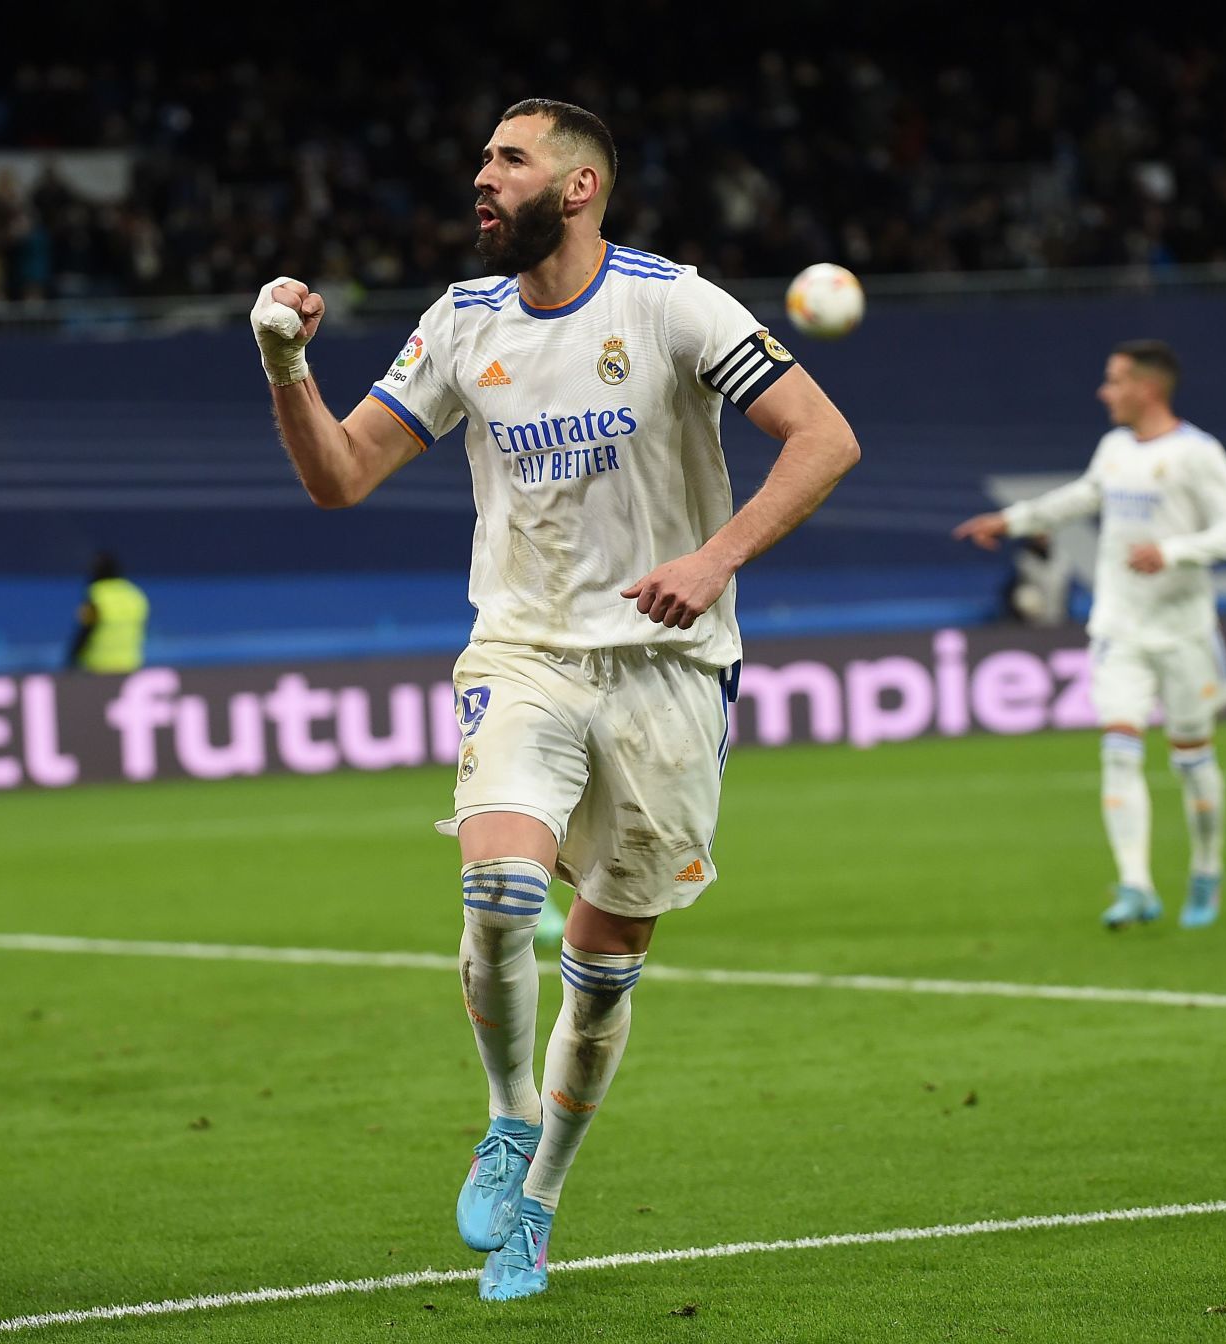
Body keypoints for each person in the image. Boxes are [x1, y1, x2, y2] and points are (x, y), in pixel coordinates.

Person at [251, 99, 859, 1301]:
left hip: (669, 668)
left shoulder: (672, 303)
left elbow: (823, 438)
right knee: (500, 887)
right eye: (480, 156)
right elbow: (340, 477)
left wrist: (711, 558)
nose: (481, 177)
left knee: (605, 963)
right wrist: (285, 366)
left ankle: (540, 1206)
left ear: (577, 188)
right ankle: (504, 1118)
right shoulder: (461, 320)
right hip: (522, 650)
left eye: (508, 160)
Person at [953, 340, 1226, 930]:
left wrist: (1173, 551)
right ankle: (1135, 884)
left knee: (1192, 762)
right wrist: (1013, 520)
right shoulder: (1115, 448)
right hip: (1119, 627)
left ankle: (1206, 869)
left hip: (1183, 632)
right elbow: (1083, 497)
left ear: (1148, 388)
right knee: (1118, 752)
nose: (1103, 391)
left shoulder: (1198, 454)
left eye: (1114, 380)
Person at [67, 551, 148, 673]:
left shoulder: (97, 594)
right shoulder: (135, 595)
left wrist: (71, 659)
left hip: (97, 667)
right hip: (129, 665)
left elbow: (85, 630)